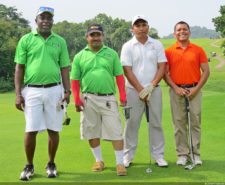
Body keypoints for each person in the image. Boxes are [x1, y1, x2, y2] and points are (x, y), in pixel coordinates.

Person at [14, 7, 70, 180]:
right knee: (31, 129)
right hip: (32, 90)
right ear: (36, 20)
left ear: (53, 21)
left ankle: (51, 163)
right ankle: (29, 165)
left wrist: (67, 91)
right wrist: (18, 93)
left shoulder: (59, 41)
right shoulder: (26, 39)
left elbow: (64, 68)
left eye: (49, 18)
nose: (45, 20)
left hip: (54, 90)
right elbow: (19, 67)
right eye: (42, 17)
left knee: (53, 129)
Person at [70, 23, 127, 176]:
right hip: (88, 99)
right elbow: (75, 80)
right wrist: (76, 99)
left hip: (108, 98)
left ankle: (120, 163)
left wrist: (122, 95)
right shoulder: (79, 56)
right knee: (91, 131)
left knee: (115, 130)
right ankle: (99, 160)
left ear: (103, 36)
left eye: (98, 34)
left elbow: (119, 76)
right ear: (87, 37)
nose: (95, 37)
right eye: (92, 35)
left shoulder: (112, 54)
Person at [120, 15, 168, 168]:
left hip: (154, 90)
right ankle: (127, 156)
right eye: (137, 25)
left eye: (143, 25)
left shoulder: (157, 44)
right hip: (133, 91)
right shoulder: (127, 46)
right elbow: (127, 70)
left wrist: (151, 87)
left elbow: (162, 66)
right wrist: (141, 90)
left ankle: (158, 156)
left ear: (148, 27)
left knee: (156, 123)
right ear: (132, 29)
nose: (141, 28)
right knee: (131, 124)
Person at [164, 21, 210, 166]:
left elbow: (206, 71)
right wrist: (175, 88)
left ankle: (195, 154)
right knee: (179, 124)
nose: (182, 32)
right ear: (174, 33)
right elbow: (165, 74)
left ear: (189, 32)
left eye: (184, 29)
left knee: (195, 122)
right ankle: (182, 154)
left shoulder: (198, 50)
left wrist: (196, 89)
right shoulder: (169, 51)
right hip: (176, 90)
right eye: (178, 30)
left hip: (194, 89)